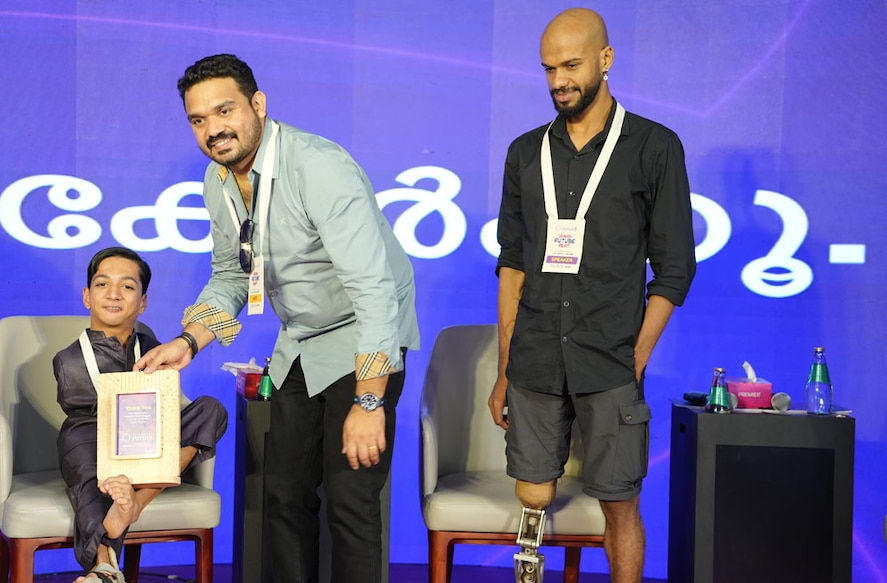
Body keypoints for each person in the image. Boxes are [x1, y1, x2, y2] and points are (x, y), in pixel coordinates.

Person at [135, 54, 420, 583]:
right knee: (283, 496)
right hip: (302, 345)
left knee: (351, 501)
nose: (213, 129)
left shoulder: (318, 166)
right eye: (198, 120)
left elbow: (374, 289)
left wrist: (369, 399)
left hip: (364, 339)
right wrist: (189, 341)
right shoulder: (216, 182)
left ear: (257, 105)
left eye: (224, 111)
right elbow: (231, 276)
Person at [488, 8, 696, 582]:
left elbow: (675, 271)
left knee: (618, 502)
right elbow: (512, 267)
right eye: (549, 68)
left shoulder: (654, 147)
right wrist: (504, 368)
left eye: (571, 65)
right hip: (534, 357)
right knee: (533, 493)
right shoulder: (525, 152)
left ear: (605, 60)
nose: (559, 80)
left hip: (611, 360)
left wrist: (636, 357)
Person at [55, 246, 227, 583]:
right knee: (96, 480)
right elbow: (100, 408)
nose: (114, 294)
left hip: (147, 433)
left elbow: (164, 400)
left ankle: (135, 501)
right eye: (103, 285)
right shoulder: (68, 359)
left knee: (211, 409)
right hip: (91, 434)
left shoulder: (149, 342)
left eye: (128, 286)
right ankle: (102, 565)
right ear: (87, 296)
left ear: (143, 302)